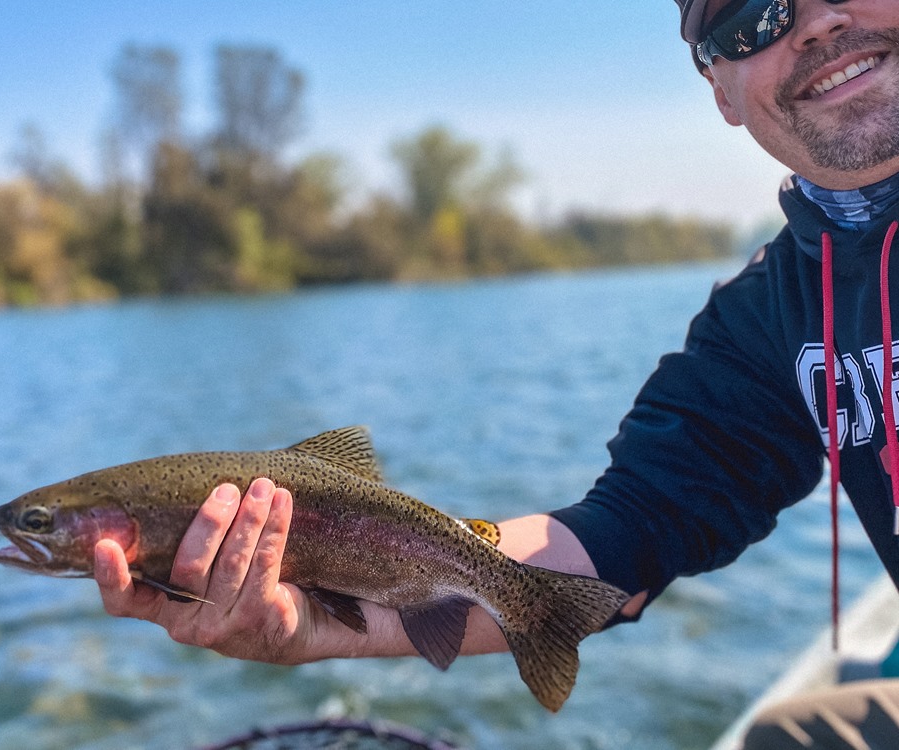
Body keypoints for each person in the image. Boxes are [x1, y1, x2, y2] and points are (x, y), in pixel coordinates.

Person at [93, 0, 899, 745]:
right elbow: (628, 531)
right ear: (721, 88)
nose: (815, 24)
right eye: (749, 19)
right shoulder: (767, 319)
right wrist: (326, 624)